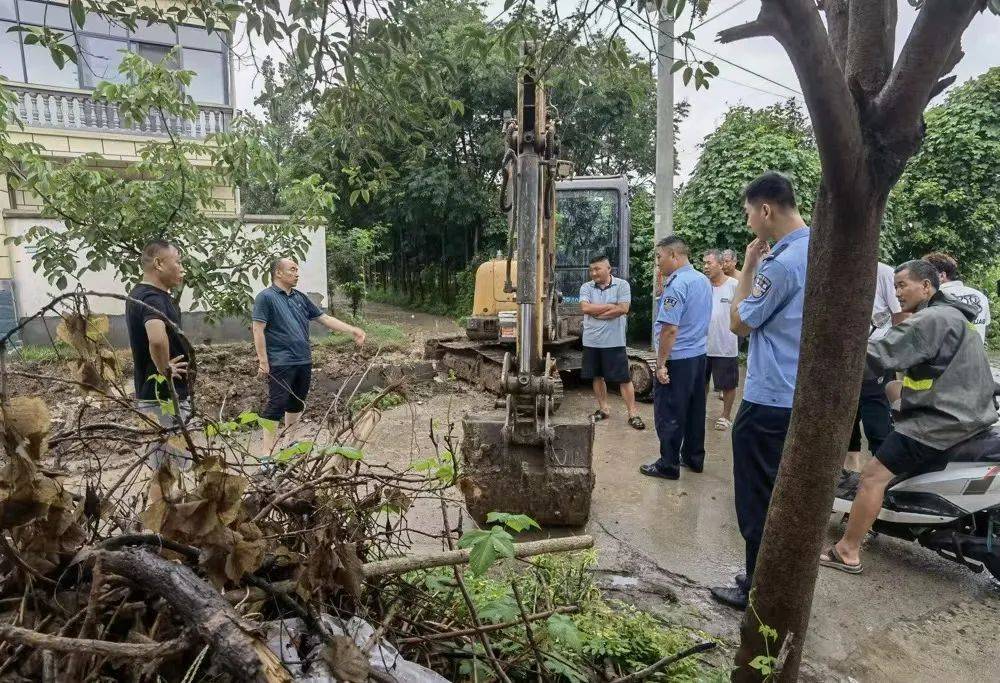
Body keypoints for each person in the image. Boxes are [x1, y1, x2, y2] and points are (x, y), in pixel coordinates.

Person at [820, 260, 997, 574]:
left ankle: (848, 550)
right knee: (891, 389)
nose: (897, 292)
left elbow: (879, 353)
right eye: (895, 285)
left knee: (873, 475)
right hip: (970, 414)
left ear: (927, 286)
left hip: (940, 421)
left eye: (904, 285)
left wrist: (831, 361)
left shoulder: (930, 319)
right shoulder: (958, 318)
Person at [710, 172, 810, 610]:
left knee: (757, 497)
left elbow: (739, 323)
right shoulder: (817, 249)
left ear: (766, 209)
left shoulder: (782, 263)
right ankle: (772, 579)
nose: (749, 222)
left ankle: (757, 588)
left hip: (769, 396)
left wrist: (749, 266)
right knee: (781, 491)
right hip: (798, 394)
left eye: (749, 213)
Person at [253, 258, 366, 455]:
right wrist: (263, 361)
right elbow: (258, 329)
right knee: (276, 404)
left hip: (303, 359)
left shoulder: (300, 298)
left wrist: (352, 330)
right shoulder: (266, 297)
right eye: (292, 269)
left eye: (297, 270)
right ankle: (266, 454)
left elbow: (325, 318)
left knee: (297, 402)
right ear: (278, 273)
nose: (297, 273)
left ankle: (290, 441)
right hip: (280, 361)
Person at [639, 236, 712, 480]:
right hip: (698, 356)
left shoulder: (678, 284)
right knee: (694, 410)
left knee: (669, 411)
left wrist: (660, 364)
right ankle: (693, 457)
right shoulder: (702, 280)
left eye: (659, 257)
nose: (657, 263)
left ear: (673, 255)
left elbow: (670, 329)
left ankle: (668, 464)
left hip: (678, 358)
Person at [125, 240, 192, 470]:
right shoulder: (152, 298)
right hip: (163, 397)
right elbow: (156, 337)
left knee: (171, 469)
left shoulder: (140, 294)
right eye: (178, 261)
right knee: (166, 472)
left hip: (161, 396)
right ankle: (163, 506)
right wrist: (165, 368)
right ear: (159, 263)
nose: (182, 268)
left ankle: (176, 506)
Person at [844, 262, 906, 471]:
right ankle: (851, 467)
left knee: (876, 421)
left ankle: (884, 474)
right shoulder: (832, 266)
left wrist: (892, 353)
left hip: (876, 359)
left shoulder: (883, 272)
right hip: (841, 358)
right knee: (845, 416)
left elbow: (901, 316)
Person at [579, 255, 645, 429]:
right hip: (592, 341)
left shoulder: (622, 285)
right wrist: (610, 306)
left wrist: (597, 312)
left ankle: (633, 413)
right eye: (591, 270)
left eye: (597, 269)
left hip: (615, 341)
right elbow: (585, 308)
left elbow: (623, 309)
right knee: (597, 376)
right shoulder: (586, 287)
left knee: (624, 378)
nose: (593, 273)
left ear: (609, 269)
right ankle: (604, 409)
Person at [702, 249, 739, 431]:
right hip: (701, 346)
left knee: (728, 384)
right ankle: (699, 412)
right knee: (700, 383)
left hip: (725, 344)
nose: (705, 267)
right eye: (704, 263)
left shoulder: (734, 285)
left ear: (720, 264)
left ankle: (725, 416)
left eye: (709, 263)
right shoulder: (702, 285)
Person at [922, 252, 991, 344]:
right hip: (978, 355)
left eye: (925, 275)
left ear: (942, 276)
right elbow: (984, 327)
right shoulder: (981, 296)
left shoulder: (932, 297)